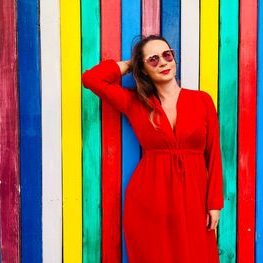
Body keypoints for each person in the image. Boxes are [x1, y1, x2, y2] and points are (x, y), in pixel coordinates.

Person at [82, 34, 224, 263]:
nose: (164, 62)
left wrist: (214, 203)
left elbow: (214, 154)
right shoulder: (135, 103)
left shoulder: (202, 101)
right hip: (150, 201)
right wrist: (130, 64)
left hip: (194, 200)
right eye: (154, 60)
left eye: (167, 55)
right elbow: (91, 79)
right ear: (144, 70)